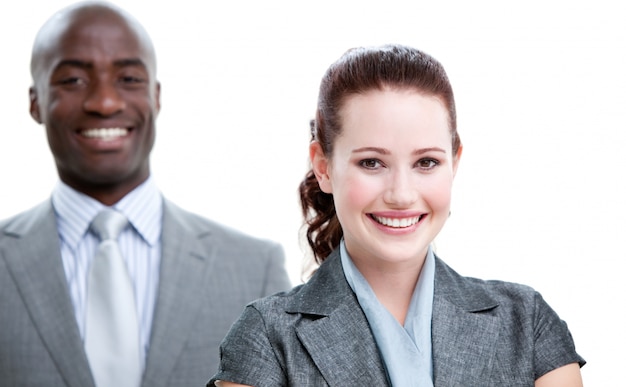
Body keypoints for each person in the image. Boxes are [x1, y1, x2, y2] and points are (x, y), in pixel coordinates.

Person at [207, 44, 585, 386]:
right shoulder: (268, 338)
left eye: (426, 162)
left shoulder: (527, 323)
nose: (402, 194)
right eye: (371, 162)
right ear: (323, 167)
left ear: (454, 164)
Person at [0, 1, 291, 386]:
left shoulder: (255, 271)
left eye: (129, 79)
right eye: (72, 80)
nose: (105, 102)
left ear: (156, 96)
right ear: (34, 101)